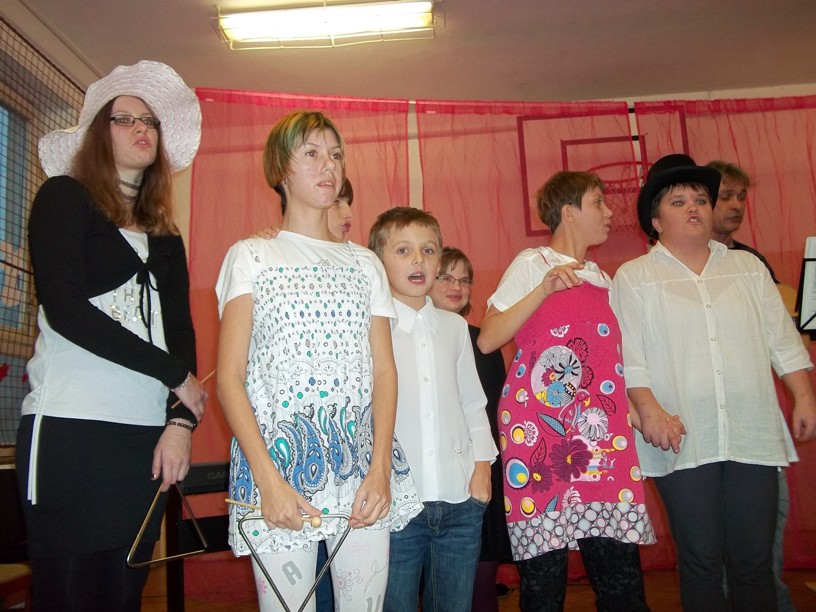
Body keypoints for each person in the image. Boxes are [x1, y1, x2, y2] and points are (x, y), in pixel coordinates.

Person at [16, 60, 208, 611]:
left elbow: (181, 332)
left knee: (123, 597)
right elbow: (67, 312)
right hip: (70, 432)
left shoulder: (166, 236)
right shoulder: (63, 197)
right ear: (98, 133)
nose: (140, 128)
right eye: (124, 119)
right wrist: (176, 376)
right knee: (67, 596)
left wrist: (180, 425)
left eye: (150, 121)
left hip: (143, 442)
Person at [215, 111, 421, 612]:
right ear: (280, 169)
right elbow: (229, 378)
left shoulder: (365, 264)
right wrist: (269, 483)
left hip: (360, 474)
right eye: (311, 153)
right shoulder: (251, 256)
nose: (329, 165)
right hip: (278, 472)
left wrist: (379, 470)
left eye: (335, 154)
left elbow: (384, 372)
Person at [611, 154, 816, 612]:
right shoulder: (635, 277)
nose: (693, 208)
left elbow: (782, 341)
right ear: (655, 221)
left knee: (754, 561)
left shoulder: (748, 268)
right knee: (701, 560)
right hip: (680, 436)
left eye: (701, 200)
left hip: (752, 432)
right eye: (678, 201)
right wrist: (650, 412)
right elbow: (630, 359)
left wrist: (804, 397)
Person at [478, 171, 654, 612]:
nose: (610, 212)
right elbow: (489, 338)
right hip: (540, 435)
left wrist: (636, 413)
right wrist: (544, 288)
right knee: (544, 579)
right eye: (599, 202)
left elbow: (608, 366)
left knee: (619, 574)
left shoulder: (603, 279)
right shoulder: (532, 263)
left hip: (601, 437)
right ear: (569, 212)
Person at [368, 208, 498, 612]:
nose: (418, 260)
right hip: (396, 506)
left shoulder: (454, 328)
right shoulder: (370, 329)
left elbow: (473, 402)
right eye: (403, 250)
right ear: (378, 260)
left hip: (459, 500)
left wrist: (482, 470)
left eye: (428, 250)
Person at [254, 175, 355, 612]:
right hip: (286, 466)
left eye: (348, 202)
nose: (346, 213)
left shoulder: (362, 265)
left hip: (351, 467)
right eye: (337, 203)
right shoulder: (260, 257)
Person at [706, 159, 796, 612]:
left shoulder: (752, 263)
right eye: (726, 196)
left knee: (765, 539)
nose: (737, 205)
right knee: (711, 555)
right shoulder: (664, 266)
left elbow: (785, 331)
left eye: (742, 196)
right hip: (704, 434)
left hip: (756, 427)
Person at [427, 246, 513, 612]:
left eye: (464, 280)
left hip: (478, 472)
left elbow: (491, 415)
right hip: (430, 478)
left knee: (480, 577)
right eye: (446, 277)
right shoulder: (404, 337)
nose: (457, 286)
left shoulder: (483, 342)